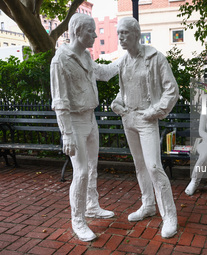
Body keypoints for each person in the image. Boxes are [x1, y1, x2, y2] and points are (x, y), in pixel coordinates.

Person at [50, 13, 119, 242]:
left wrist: (125, 59)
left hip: (90, 119)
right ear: (78, 31)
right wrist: (66, 133)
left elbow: (104, 73)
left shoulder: (87, 57)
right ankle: (78, 220)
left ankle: (91, 206)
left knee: (92, 168)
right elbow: (59, 101)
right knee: (80, 172)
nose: (95, 35)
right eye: (91, 31)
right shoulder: (60, 59)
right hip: (75, 123)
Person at [111, 17, 179, 238]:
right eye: (118, 33)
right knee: (139, 166)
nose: (120, 37)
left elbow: (172, 90)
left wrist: (153, 112)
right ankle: (148, 204)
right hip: (128, 119)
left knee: (153, 167)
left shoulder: (155, 58)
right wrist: (117, 101)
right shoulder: (122, 62)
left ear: (136, 34)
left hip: (147, 119)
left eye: (125, 33)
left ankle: (169, 215)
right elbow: (126, 90)